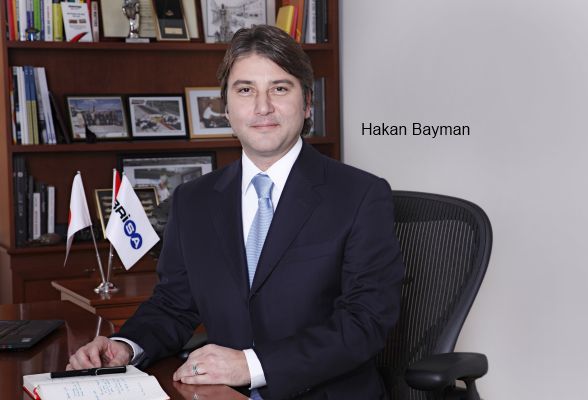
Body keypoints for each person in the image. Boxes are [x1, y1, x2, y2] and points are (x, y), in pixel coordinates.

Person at [67, 25, 404, 399]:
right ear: (226, 109)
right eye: (245, 90)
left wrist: (252, 365)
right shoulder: (193, 200)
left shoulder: (360, 195)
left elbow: (365, 321)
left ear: (308, 103)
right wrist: (126, 346)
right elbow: (173, 305)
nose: (262, 107)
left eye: (280, 88)